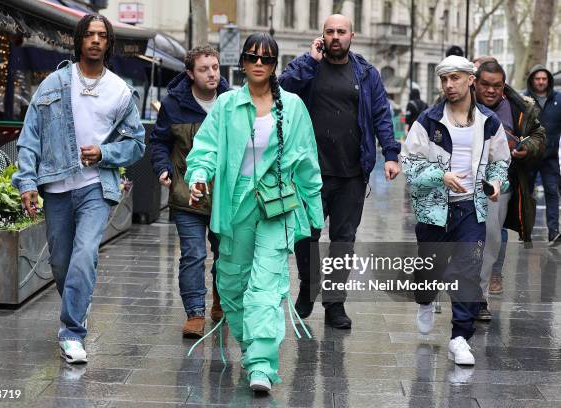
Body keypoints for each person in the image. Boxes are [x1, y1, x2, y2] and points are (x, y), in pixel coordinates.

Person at [185, 33, 323, 392]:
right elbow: (205, 150)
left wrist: (314, 214)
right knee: (230, 284)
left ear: (275, 64)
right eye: (251, 57)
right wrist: (199, 177)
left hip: (276, 207)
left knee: (266, 285)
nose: (258, 63)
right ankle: (251, 348)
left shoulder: (292, 107)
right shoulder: (227, 105)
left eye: (266, 58)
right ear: (243, 62)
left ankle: (262, 364)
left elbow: (308, 162)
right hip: (234, 207)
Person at [12, 14, 145, 363]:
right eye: (90, 34)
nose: (96, 40)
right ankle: (78, 305)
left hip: (95, 187)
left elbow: (136, 143)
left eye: (102, 35)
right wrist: (27, 181)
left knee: (85, 255)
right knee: (60, 262)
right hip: (56, 187)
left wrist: (105, 153)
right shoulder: (54, 84)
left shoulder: (119, 89)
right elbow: (30, 138)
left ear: (109, 42)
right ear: (79, 40)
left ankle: (72, 332)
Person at [279, 14, 401, 328]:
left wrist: (390, 154)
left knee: (343, 240)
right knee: (306, 236)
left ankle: (335, 305)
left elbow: (381, 115)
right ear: (322, 36)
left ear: (352, 35)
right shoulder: (308, 67)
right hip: (309, 174)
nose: (336, 37)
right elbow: (281, 90)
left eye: (341, 32)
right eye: (330, 32)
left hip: (351, 173)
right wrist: (309, 59)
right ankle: (307, 290)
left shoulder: (366, 72)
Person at [401, 56, 510, 366]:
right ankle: (425, 300)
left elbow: (501, 160)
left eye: (455, 78)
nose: (449, 85)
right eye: (444, 80)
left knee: (468, 272)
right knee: (428, 272)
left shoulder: (489, 122)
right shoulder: (428, 120)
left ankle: (459, 338)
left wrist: (496, 181)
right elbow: (409, 163)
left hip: (471, 210)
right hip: (434, 210)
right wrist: (441, 174)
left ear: (470, 80)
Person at [150, 45, 229, 338]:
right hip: (187, 193)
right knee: (193, 254)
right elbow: (158, 142)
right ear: (190, 73)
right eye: (204, 69)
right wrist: (162, 168)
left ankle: (221, 300)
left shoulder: (231, 101)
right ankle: (195, 312)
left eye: (215, 67)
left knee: (226, 254)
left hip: (224, 195)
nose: (212, 74)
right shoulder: (174, 104)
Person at [474, 61, 545, 314]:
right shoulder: (458, 101)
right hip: (460, 186)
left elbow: (539, 136)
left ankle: (480, 300)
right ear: (474, 82)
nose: (491, 90)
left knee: (491, 242)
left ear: (503, 86)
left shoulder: (520, 107)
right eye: (485, 85)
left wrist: (527, 148)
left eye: (497, 86)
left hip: (500, 187)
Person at [525, 65, 561, 245]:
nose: (540, 82)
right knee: (527, 193)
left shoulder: (559, 100)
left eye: (544, 79)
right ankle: (526, 231)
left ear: (548, 81)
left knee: (552, 192)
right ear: (532, 80)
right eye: (537, 78)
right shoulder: (523, 100)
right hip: (529, 156)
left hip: (551, 157)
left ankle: (554, 231)